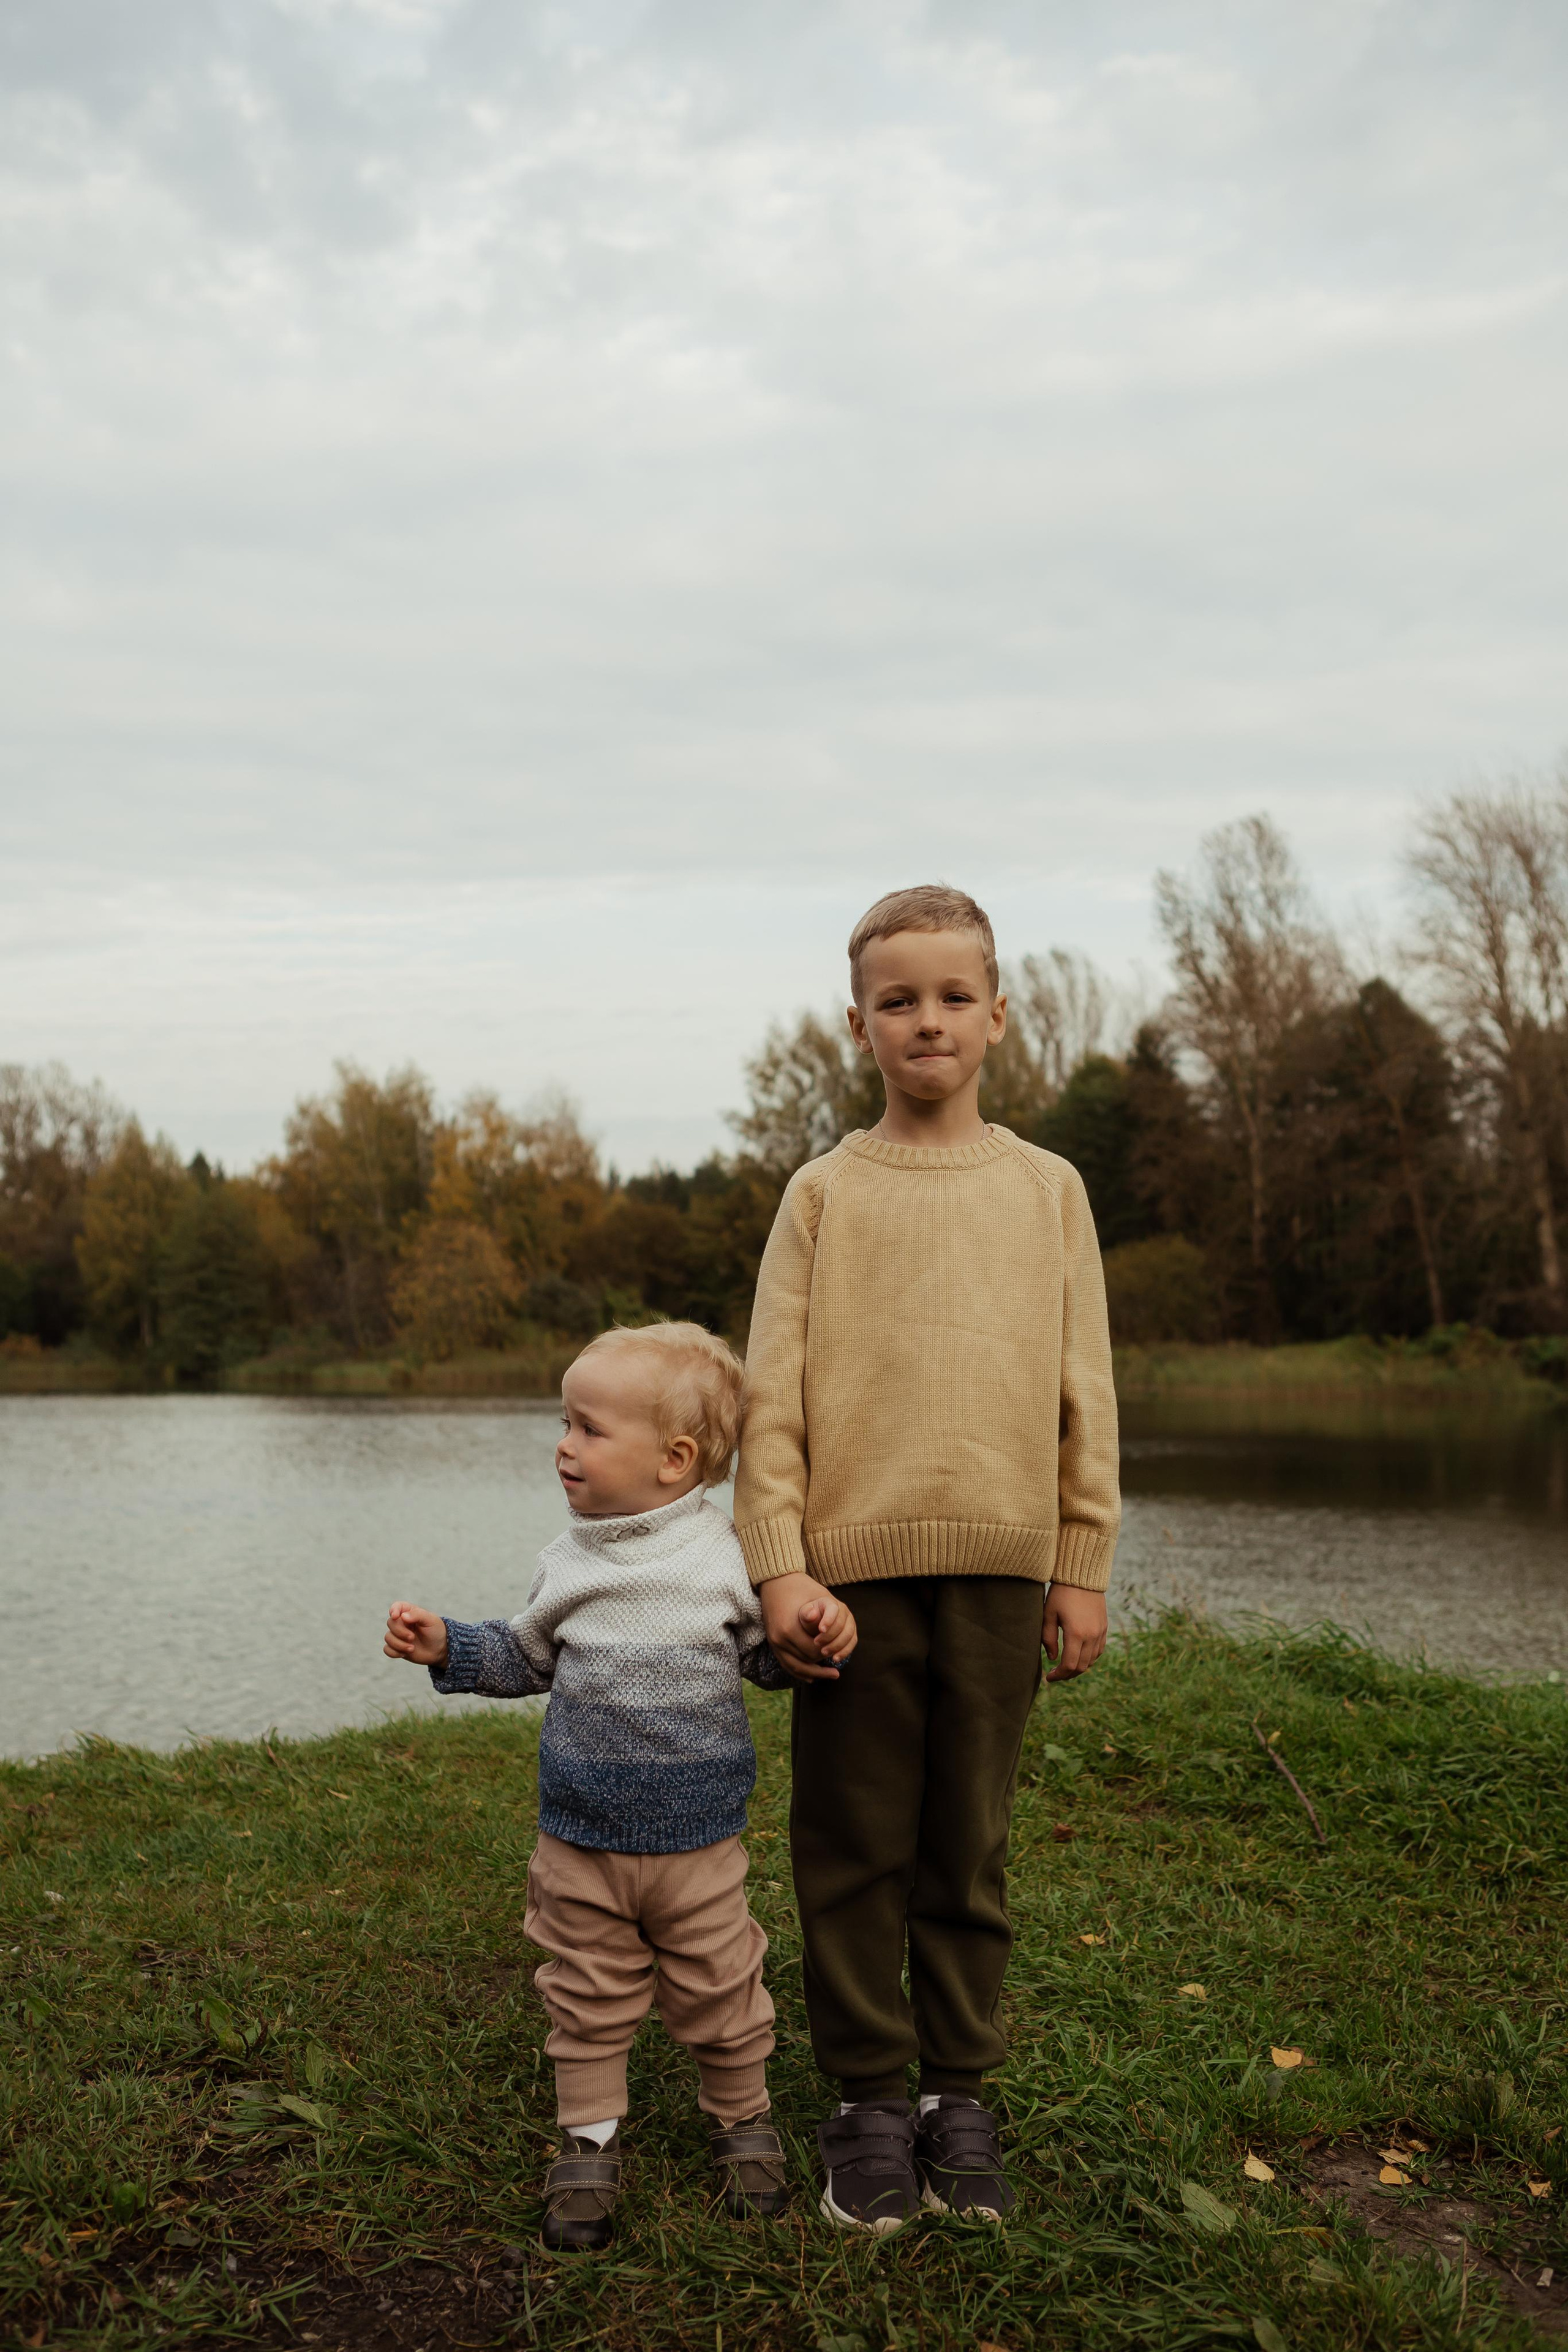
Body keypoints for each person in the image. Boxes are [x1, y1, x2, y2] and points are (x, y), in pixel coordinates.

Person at [734, 883, 1120, 2234]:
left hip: (1004, 1565)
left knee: (966, 1841)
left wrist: (1080, 1561)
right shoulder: (822, 1194)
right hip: (847, 1579)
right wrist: (778, 1561)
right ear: (858, 1025)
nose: (926, 1020)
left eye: (952, 995)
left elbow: (1086, 1389)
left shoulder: (1046, 1191)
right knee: (850, 1842)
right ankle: (863, 2101)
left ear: (997, 1016)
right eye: (897, 1000)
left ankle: (958, 2091)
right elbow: (767, 1397)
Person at [383, 1319, 858, 2252]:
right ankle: (588, 2144)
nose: (564, 1445)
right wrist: (451, 1645)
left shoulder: (729, 1561)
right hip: (580, 1844)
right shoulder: (568, 1563)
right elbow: (526, 1657)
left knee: (724, 1988)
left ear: (676, 1458)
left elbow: (768, 1663)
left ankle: (742, 2122)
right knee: (588, 1995)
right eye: (566, 1422)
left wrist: (813, 1636)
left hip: (699, 1843)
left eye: (589, 1428)